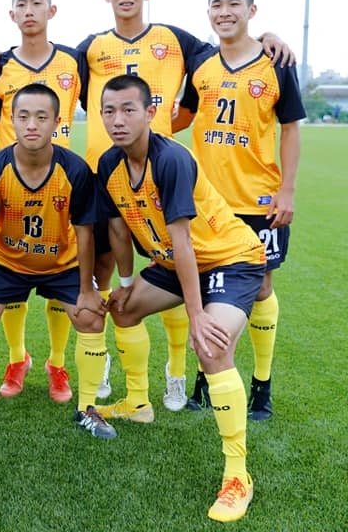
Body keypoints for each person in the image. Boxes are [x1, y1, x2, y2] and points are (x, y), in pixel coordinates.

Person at [75, 0, 293, 415]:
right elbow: (49, 66)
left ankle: (215, 378)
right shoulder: (91, 47)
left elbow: (232, 47)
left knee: (250, 286)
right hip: (118, 180)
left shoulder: (178, 41)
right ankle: (129, 382)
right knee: (121, 277)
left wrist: (268, 37)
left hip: (214, 189)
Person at [96, 74, 266, 522]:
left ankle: (237, 474)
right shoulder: (109, 164)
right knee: (124, 310)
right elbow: (117, 230)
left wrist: (196, 315)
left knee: (211, 346)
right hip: (174, 262)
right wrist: (126, 282)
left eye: (128, 109)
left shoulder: (170, 159)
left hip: (229, 258)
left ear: (150, 113)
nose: (118, 120)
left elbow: (184, 241)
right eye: (109, 111)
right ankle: (138, 403)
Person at [0, 83, 115, 440]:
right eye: (23, 116)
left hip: (62, 262)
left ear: (57, 121)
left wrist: (88, 289)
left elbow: (85, 232)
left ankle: (88, 407)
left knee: (90, 315)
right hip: (9, 262)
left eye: (41, 117)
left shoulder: (75, 170)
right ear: (12, 119)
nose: (32, 125)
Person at [174, 0, 305, 420]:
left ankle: (261, 385)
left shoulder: (276, 62)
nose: (224, 12)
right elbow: (185, 116)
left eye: (234, 3)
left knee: (263, 286)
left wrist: (287, 189)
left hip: (258, 202)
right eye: (216, 4)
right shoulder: (201, 63)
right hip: (207, 203)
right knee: (209, 288)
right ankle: (205, 376)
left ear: (252, 10)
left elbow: (290, 128)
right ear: (208, 12)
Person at [0, 0, 106, 404]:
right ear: (12, 14)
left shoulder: (75, 60)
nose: (29, 10)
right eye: (21, 4)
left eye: (37, 3)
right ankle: (18, 358)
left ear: (52, 11)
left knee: (61, 270)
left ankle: (57, 363)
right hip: (11, 186)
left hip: (62, 183)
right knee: (11, 267)